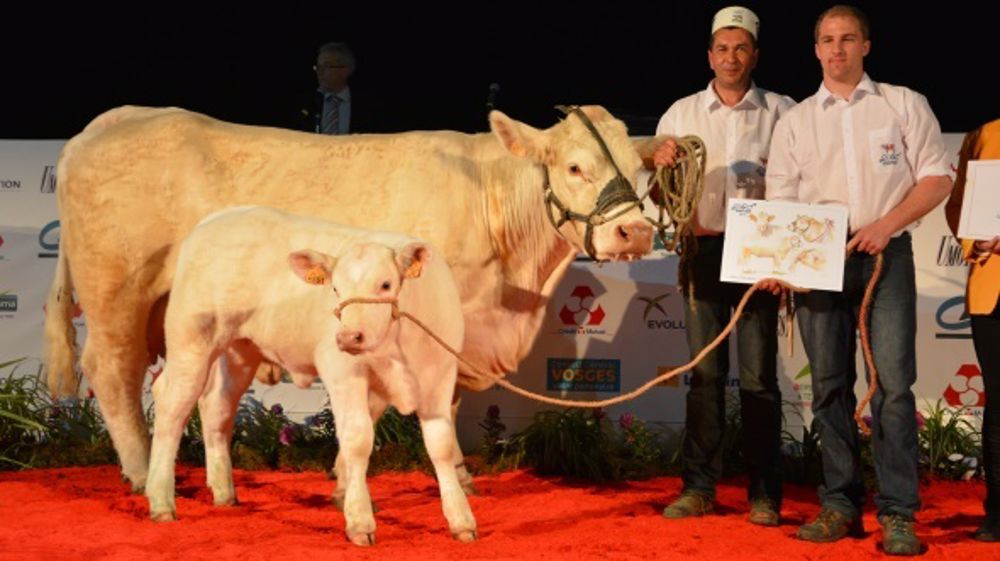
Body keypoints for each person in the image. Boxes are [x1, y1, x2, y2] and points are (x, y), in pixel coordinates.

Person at [765, 5, 953, 555]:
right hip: (816, 262)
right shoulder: (796, 121)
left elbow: (938, 178)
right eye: (828, 40)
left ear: (866, 46)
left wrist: (885, 225)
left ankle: (898, 514)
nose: (838, 49)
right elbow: (781, 200)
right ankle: (840, 505)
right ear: (816, 49)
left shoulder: (902, 102)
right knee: (828, 389)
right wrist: (781, 261)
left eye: (848, 39)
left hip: (886, 257)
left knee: (893, 389)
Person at [654, 6, 794, 527]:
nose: (730, 57)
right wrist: (659, 165)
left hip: (761, 254)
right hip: (703, 248)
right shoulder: (681, 114)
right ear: (709, 55)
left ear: (754, 54)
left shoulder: (783, 111)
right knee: (705, 376)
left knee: (759, 380)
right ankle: (699, 487)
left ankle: (764, 493)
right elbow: (660, 193)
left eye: (740, 48)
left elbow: (799, 182)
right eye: (722, 48)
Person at [944, 119, 1000, 542]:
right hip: (991, 289)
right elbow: (958, 205)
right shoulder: (983, 135)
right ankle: (997, 512)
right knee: (998, 404)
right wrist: (974, 242)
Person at [298, 41, 355, 135]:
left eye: (326, 66)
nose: (320, 72)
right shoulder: (307, 103)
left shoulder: (367, 104)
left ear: (345, 70)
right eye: (318, 67)